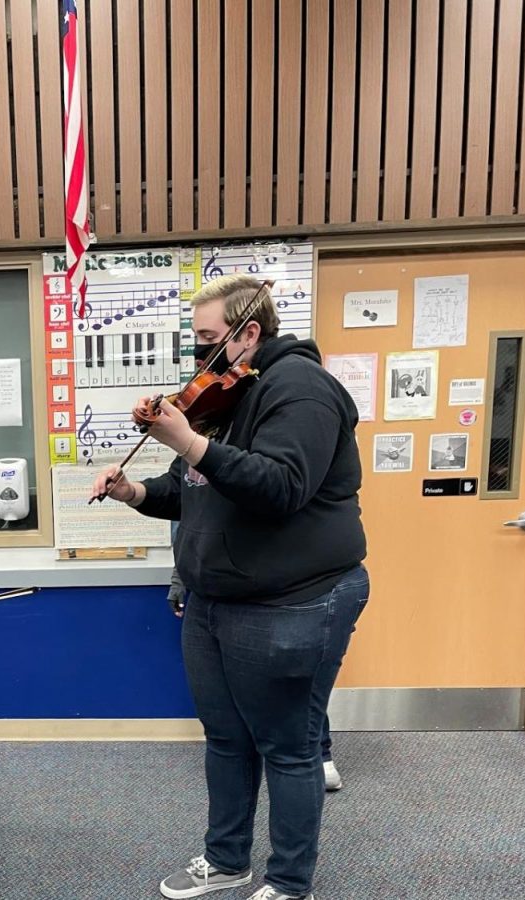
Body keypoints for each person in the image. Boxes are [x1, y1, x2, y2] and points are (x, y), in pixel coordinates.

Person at [91, 275, 368, 900]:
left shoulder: (303, 390)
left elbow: (280, 486)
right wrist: (136, 491)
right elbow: (192, 490)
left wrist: (187, 440)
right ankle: (227, 861)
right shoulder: (226, 397)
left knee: (288, 748)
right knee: (225, 739)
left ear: (249, 334)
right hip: (215, 602)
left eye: (209, 341)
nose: (199, 358)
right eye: (195, 344)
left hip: (292, 603)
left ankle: (290, 882)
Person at [168, 561, 344, 793]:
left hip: (289, 587)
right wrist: (179, 580)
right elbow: (192, 530)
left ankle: (321, 753)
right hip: (221, 592)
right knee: (230, 726)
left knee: (294, 690)